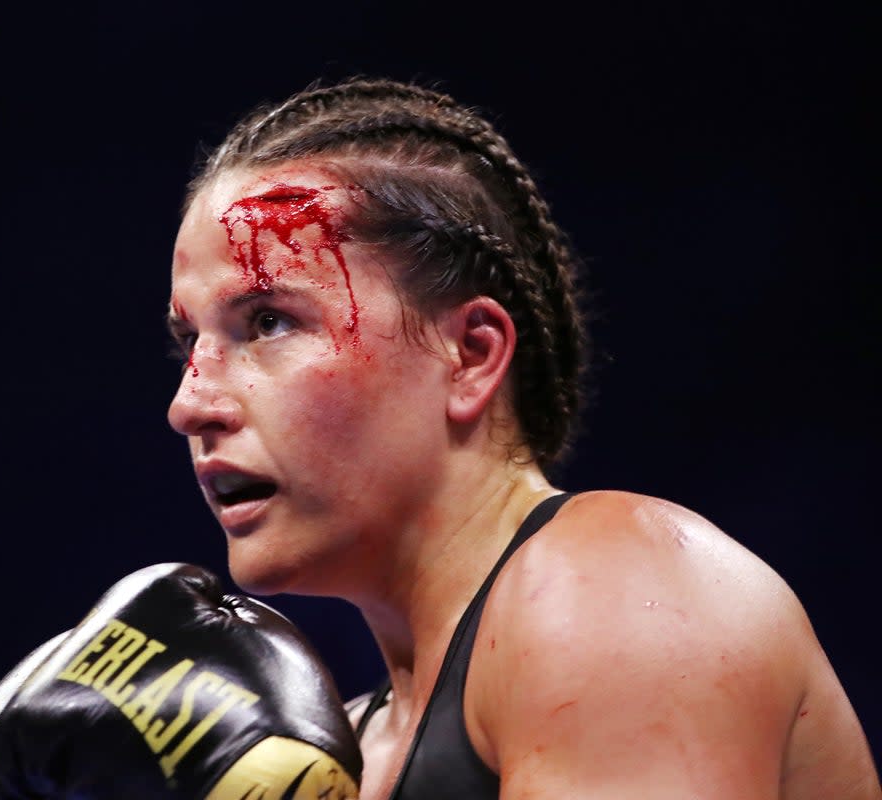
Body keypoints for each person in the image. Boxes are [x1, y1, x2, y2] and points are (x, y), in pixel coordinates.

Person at [163, 77, 880, 798]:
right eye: (189, 340)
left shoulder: (617, 592)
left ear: (470, 356)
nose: (189, 405)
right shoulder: (342, 756)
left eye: (268, 322)